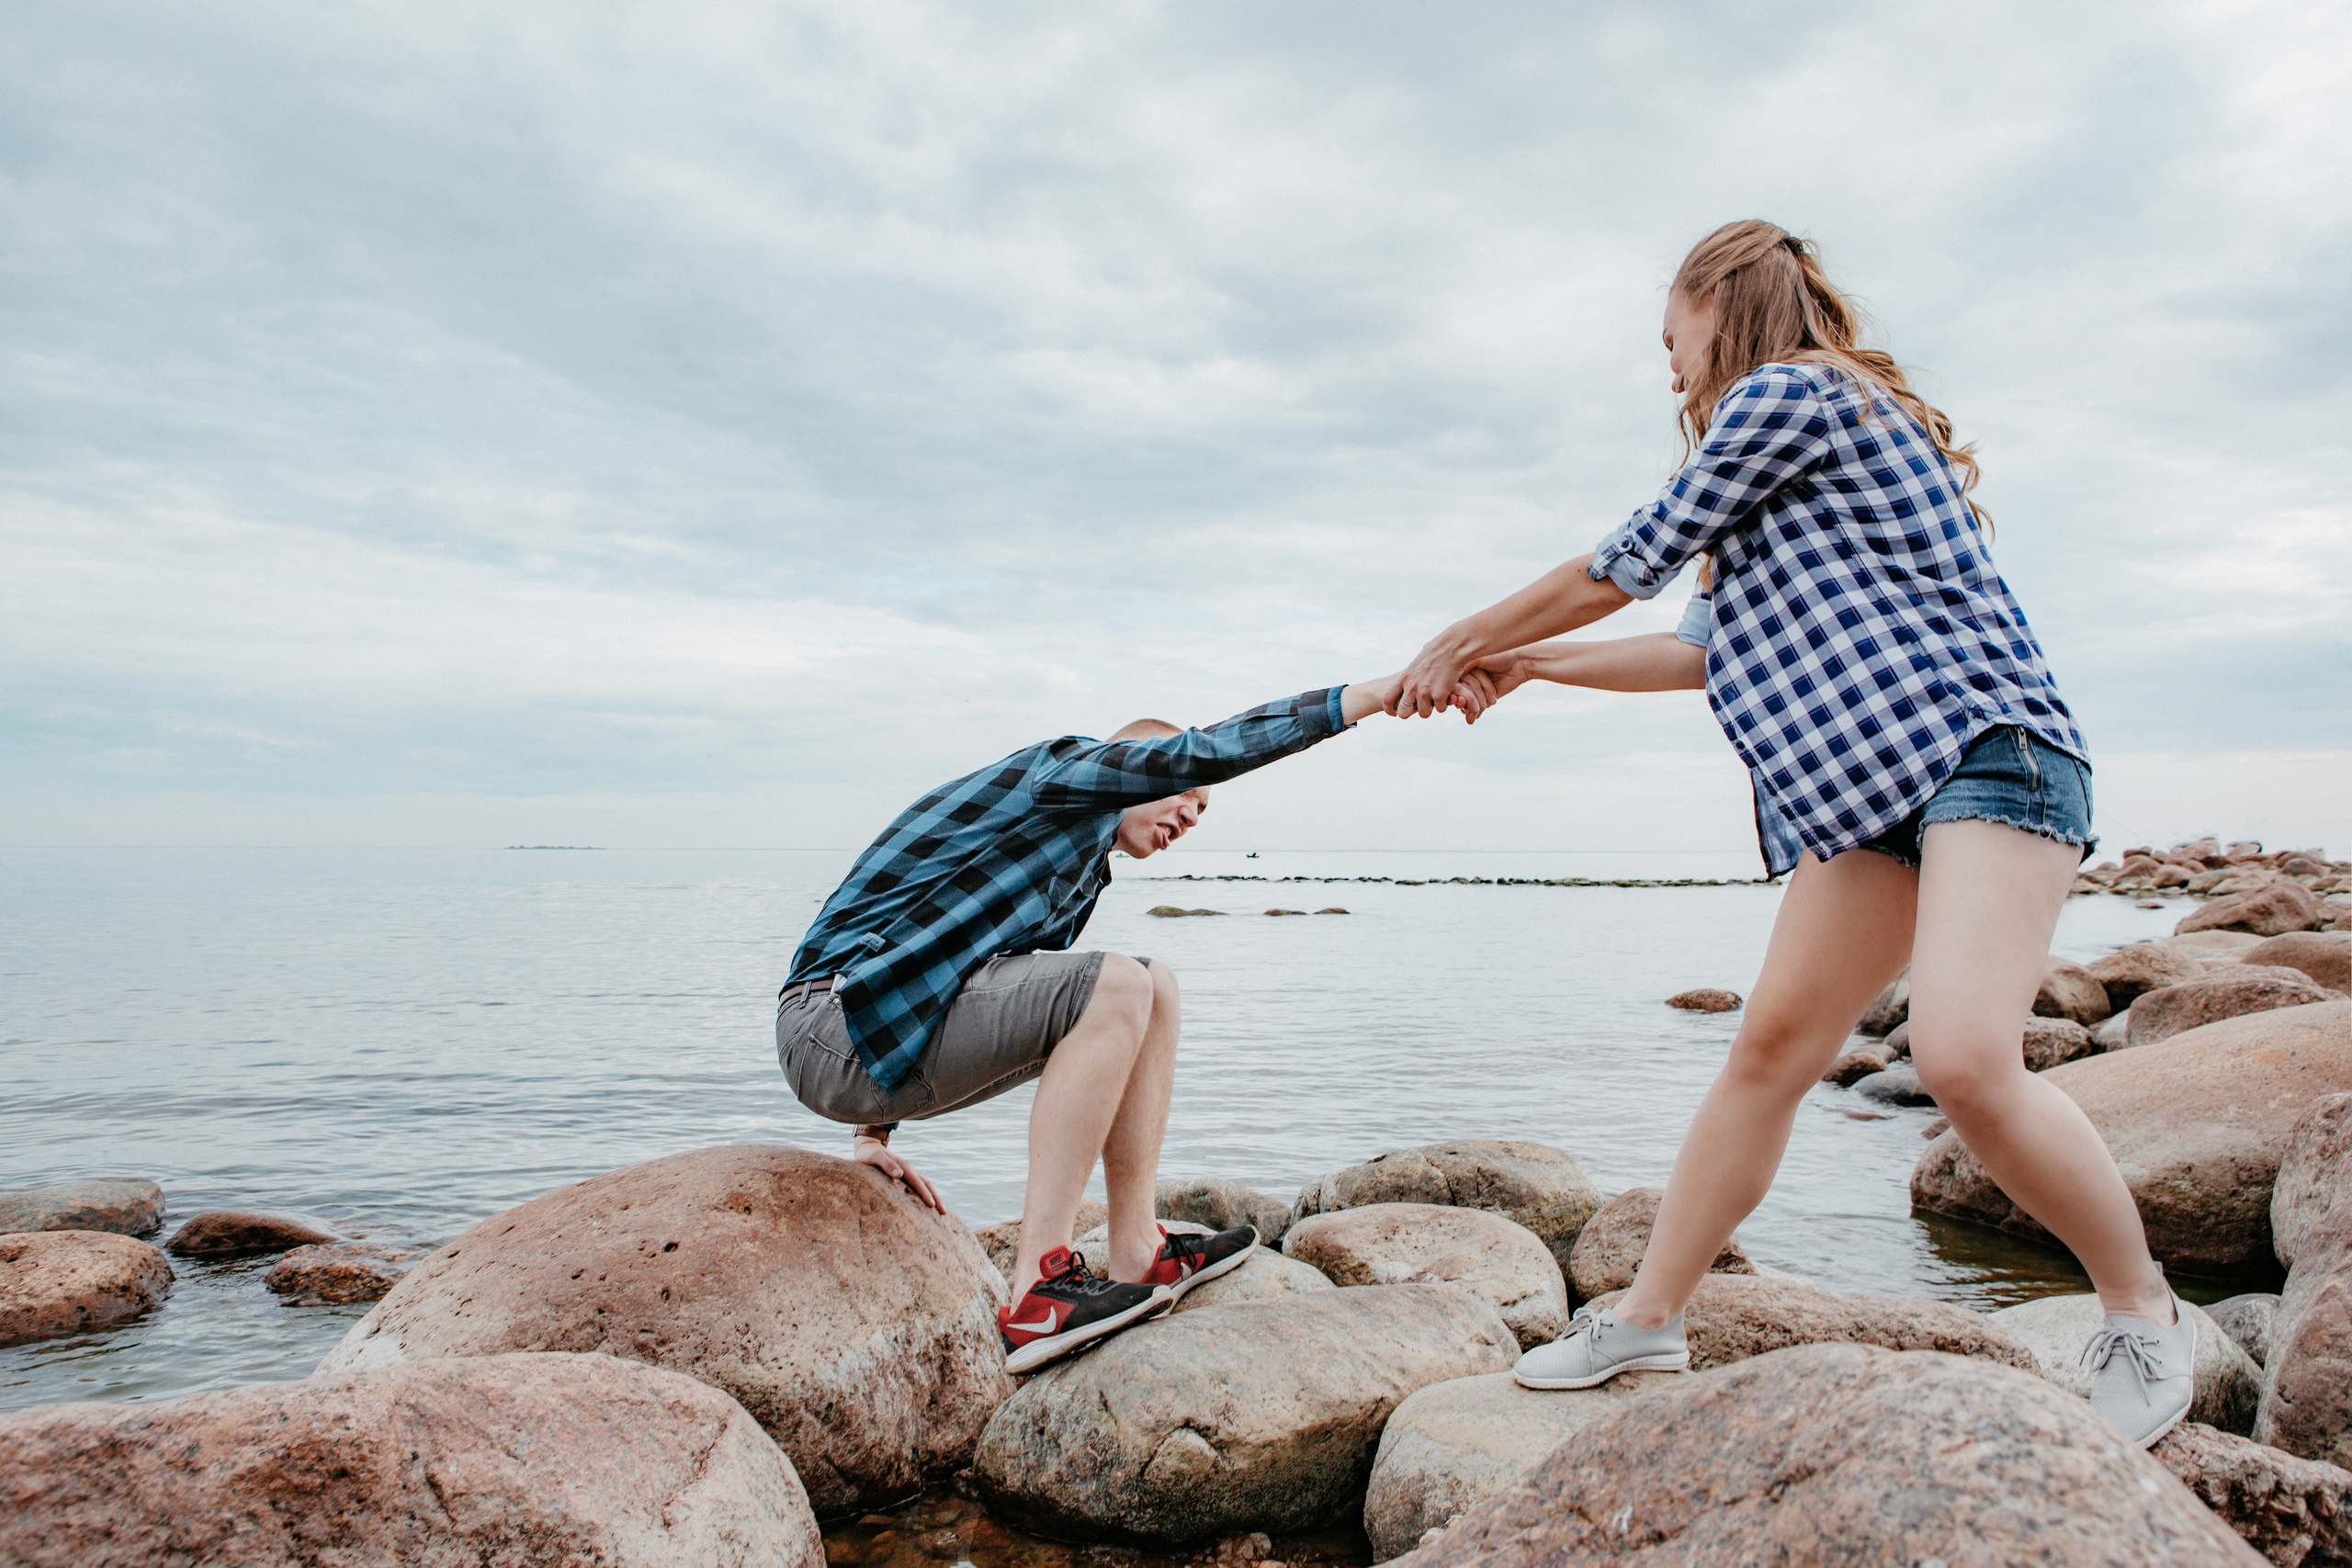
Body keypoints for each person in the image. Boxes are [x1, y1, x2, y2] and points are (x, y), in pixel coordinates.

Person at [1390, 220, 2196, 1448]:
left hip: (1989, 751)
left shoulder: (1798, 392)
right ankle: (1650, 1314)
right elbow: (1689, 647)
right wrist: (1527, 664)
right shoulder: (1767, 469)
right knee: (1767, 1046)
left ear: (1718, 296)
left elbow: (1627, 563)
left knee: (1967, 1059)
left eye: (1672, 336)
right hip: (1871, 795)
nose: (1669, 369)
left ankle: (2143, 1307)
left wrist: (1457, 637)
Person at [777, 675, 1472, 1373]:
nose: (1195, 817)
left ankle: (1138, 1250)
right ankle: (1037, 1293)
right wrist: (1369, 697)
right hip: (828, 1028)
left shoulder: (1074, 858)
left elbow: (933, 950)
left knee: (1154, 984)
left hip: (875, 1041)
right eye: (1189, 793)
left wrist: (871, 1134)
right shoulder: (1066, 772)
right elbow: (1212, 748)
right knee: (1112, 984)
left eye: (1203, 808)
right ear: (1142, 767)